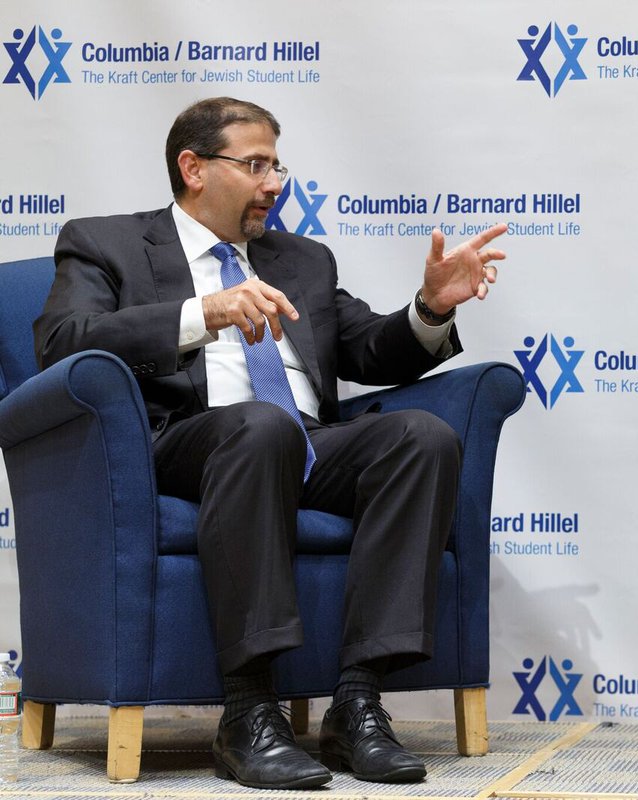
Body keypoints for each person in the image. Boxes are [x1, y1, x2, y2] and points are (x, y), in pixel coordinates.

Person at [34, 97, 508, 791]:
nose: (275, 183)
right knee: (261, 426)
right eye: (256, 165)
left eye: (277, 166)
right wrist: (203, 313)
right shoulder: (106, 243)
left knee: (422, 437)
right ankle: (249, 711)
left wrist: (431, 306)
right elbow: (62, 343)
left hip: (304, 443)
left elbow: (369, 350)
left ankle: (357, 703)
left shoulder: (302, 259)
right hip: (186, 444)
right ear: (193, 167)